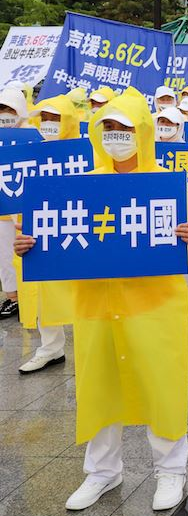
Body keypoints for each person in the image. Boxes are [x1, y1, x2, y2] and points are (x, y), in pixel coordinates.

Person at [15, 87, 188, 511]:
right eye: (108, 128)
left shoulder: (166, 185)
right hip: (97, 308)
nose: (115, 136)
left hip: (154, 309)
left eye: (124, 128)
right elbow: (52, 239)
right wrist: (29, 245)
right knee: (99, 388)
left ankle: (170, 470)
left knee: (161, 387)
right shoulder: (82, 187)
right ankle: (102, 472)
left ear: (142, 132)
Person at [15, 94, 81, 374]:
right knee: (46, 291)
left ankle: (96, 351)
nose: (50, 123)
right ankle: (51, 348)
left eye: (56, 118)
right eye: (45, 118)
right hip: (45, 227)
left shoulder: (86, 152)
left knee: (86, 291)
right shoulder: (31, 153)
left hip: (80, 226)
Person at [0, 87, 32, 320]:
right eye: (1, 109)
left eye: (10, 109)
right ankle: (13, 298)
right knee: (4, 252)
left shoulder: (33, 135)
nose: (5, 114)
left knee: (26, 250)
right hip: (2, 206)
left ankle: (30, 297)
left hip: (25, 204)